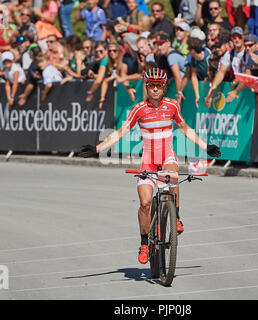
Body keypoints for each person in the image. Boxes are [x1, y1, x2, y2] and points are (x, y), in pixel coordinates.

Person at [77, 68, 221, 264]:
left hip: (167, 156)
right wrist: (97, 148)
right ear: (146, 86)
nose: (155, 89)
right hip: (148, 161)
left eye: (159, 85)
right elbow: (120, 132)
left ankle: (176, 216)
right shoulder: (138, 109)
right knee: (144, 204)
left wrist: (206, 147)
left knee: (173, 176)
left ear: (164, 87)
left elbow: (185, 128)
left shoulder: (172, 105)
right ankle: (144, 243)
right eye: (151, 85)